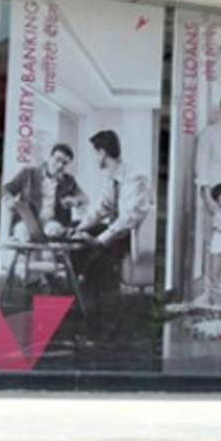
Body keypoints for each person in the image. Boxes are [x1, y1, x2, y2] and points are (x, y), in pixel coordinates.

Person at [72, 130, 153, 320]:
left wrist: (100, 240)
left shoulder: (136, 177)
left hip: (132, 235)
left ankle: (101, 315)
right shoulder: (112, 177)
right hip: (118, 230)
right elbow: (101, 208)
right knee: (78, 237)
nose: (95, 159)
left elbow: (128, 219)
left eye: (95, 154)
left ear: (102, 153)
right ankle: (79, 295)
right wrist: (78, 229)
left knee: (98, 257)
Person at [3, 143, 87, 240]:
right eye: (58, 160)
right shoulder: (28, 173)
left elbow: (84, 198)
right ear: (49, 157)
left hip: (52, 223)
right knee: (23, 233)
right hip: (28, 222)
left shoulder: (68, 181)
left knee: (55, 232)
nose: (60, 166)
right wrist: (9, 200)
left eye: (65, 163)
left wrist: (74, 200)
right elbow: (5, 189)